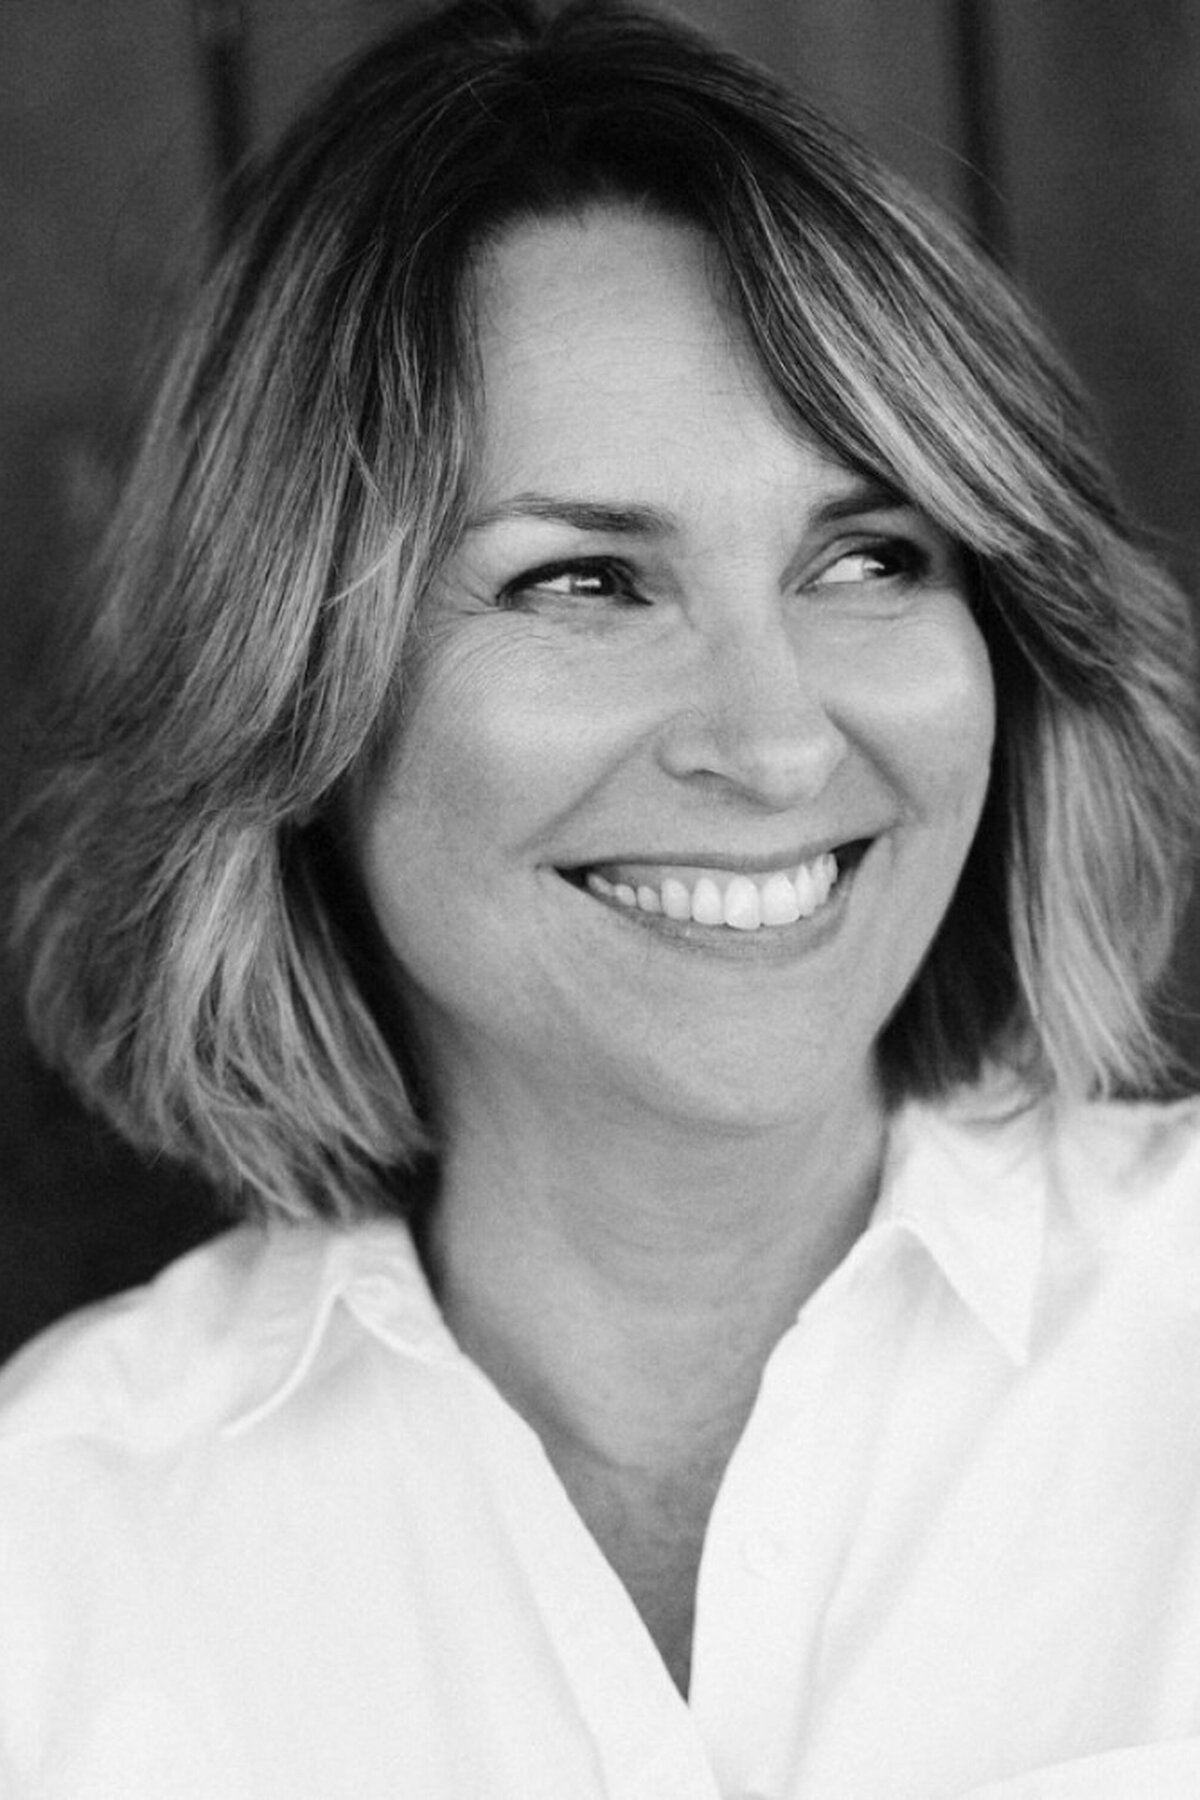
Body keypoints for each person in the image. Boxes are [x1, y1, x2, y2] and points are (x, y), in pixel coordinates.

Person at [4, 0, 1200, 1793]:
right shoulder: (54, 1561)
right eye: (584, 583)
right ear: (295, 696)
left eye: (870, 557)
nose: (776, 744)